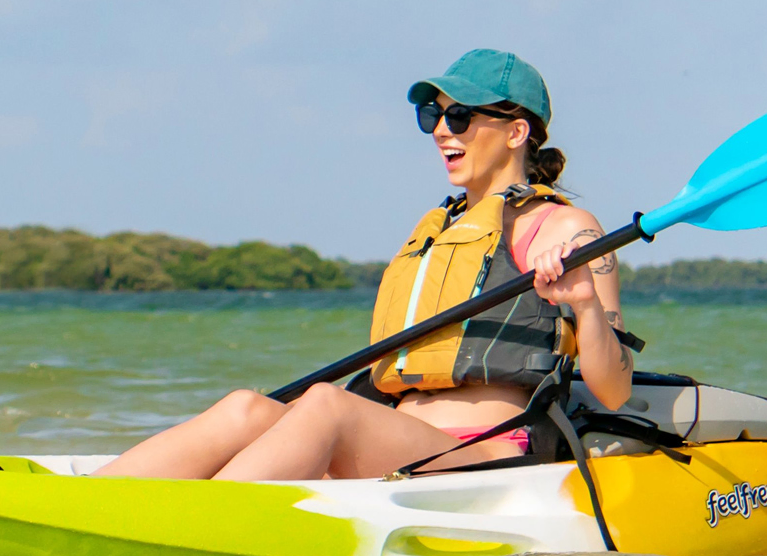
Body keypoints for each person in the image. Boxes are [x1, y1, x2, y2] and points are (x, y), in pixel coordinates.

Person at [92, 49, 634, 482]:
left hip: (488, 454)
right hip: (395, 440)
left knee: (327, 405)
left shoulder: (566, 228)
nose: (443, 130)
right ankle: (83, 503)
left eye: (461, 116)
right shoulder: (442, 227)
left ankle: (192, 524)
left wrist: (584, 303)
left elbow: (614, 390)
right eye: (434, 116)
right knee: (246, 409)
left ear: (516, 132)